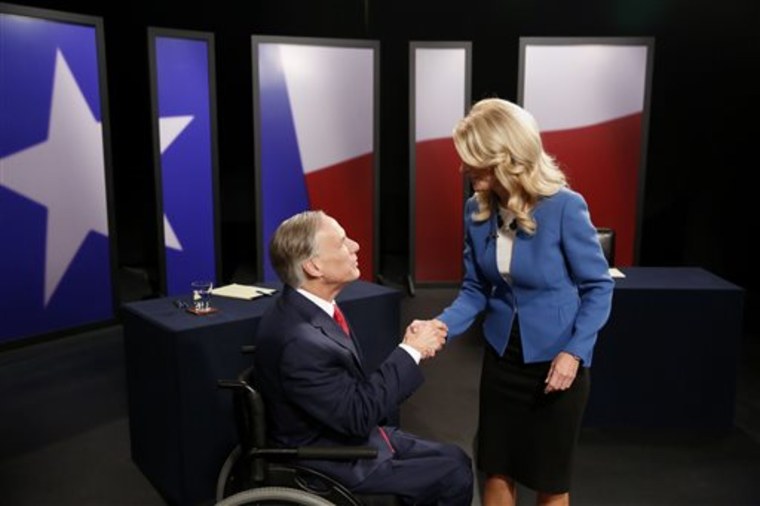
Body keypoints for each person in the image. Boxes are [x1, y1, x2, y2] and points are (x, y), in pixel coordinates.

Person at [434, 98, 614, 506]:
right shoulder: (475, 211)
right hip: (502, 358)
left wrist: (574, 352)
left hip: (557, 364)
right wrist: (440, 326)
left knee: (548, 479)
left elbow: (599, 287)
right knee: (497, 466)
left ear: (504, 158)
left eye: (471, 159)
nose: (462, 169)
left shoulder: (565, 206)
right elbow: (475, 289)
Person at [253, 210, 474, 506]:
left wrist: (412, 348)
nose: (356, 246)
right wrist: (412, 350)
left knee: (454, 456)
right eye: (343, 242)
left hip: (349, 434)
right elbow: (357, 416)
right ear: (314, 266)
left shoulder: (308, 309)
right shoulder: (300, 341)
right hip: (331, 458)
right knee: (453, 472)